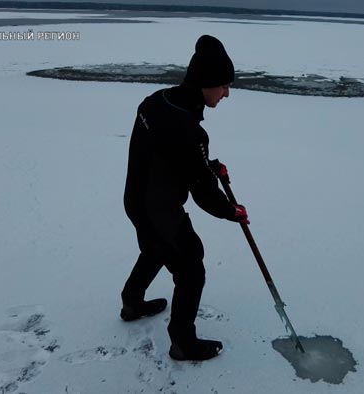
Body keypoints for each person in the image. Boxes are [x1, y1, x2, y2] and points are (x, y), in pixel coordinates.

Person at [120, 35, 249, 362]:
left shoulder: (156, 101)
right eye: (223, 86)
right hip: (160, 210)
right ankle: (182, 342)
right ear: (205, 83)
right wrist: (231, 211)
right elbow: (203, 191)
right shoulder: (189, 129)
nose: (227, 93)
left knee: (155, 247)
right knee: (191, 265)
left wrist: (207, 163)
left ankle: (132, 301)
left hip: (136, 201)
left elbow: (174, 155)